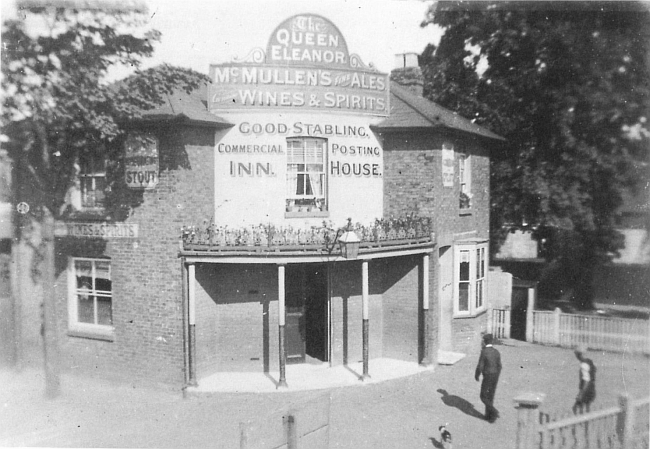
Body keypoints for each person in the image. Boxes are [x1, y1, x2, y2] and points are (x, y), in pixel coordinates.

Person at [474, 333, 502, 422]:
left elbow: (480, 366)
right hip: (495, 375)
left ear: (484, 342)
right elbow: (499, 366)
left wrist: (477, 375)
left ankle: (493, 411)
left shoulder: (484, 352)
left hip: (488, 375)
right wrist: (497, 374)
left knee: (483, 396)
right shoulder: (496, 352)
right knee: (491, 395)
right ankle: (489, 417)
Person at [572, 346, 596, 414]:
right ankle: (586, 424)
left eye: (576, 355)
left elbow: (586, 380)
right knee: (587, 408)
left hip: (585, 390)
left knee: (578, 408)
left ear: (579, 355)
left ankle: (582, 423)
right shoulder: (590, 361)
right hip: (592, 389)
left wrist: (581, 394)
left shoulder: (583, 365)